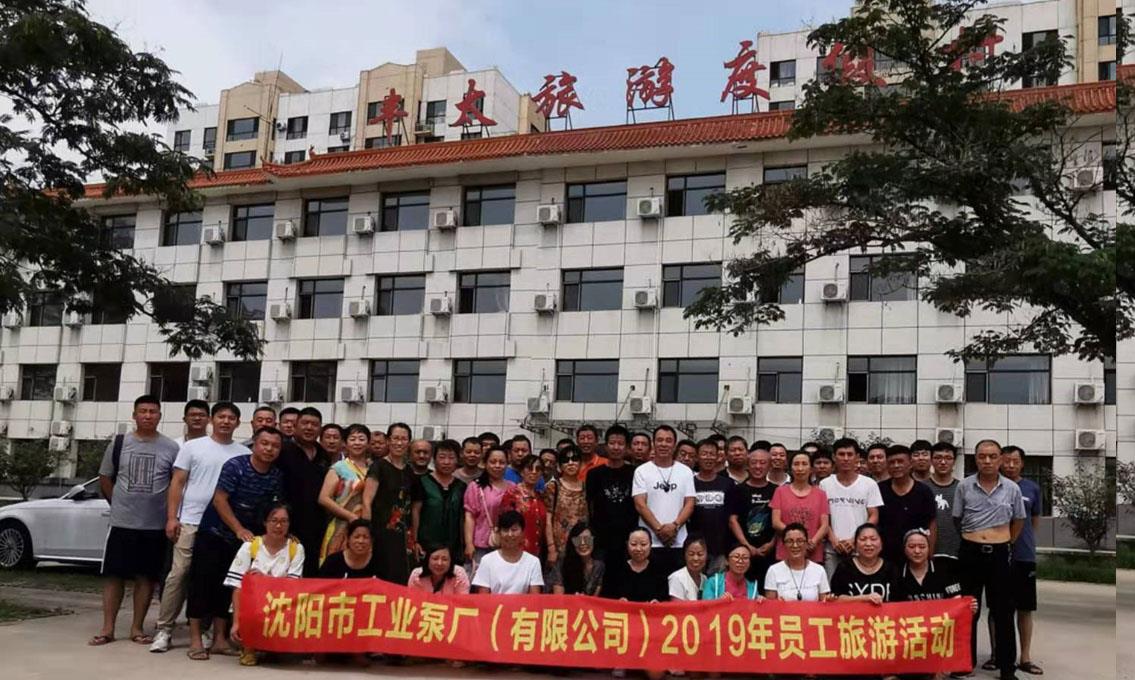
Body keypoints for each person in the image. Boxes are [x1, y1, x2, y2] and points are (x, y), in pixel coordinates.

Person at [151, 402, 249, 653]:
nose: (226, 421)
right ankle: (164, 629)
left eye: (231, 418)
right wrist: (172, 517)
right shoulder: (192, 447)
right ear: (212, 420)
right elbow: (177, 482)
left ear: (238, 423)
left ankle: (207, 631)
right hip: (190, 520)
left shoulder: (243, 453)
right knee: (179, 574)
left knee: (214, 579)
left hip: (221, 527)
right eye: (221, 417)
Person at [185, 426, 284, 661]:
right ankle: (195, 640)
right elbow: (220, 500)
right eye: (265, 443)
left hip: (245, 541)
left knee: (229, 587)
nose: (269, 449)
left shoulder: (276, 475)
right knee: (201, 585)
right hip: (215, 533)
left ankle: (219, 639)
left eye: (275, 446)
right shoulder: (236, 466)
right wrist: (238, 529)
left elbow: (271, 509)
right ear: (255, 444)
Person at [90, 395, 180, 648]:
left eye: (153, 411)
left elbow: (176, 483)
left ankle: (137, 628)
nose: (148, 416)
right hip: (122, 523)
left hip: (154, 525)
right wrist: (118, 503)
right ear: (134, 415)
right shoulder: (119, 444)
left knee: (146, 577)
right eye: (143, 411)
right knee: (114, 576)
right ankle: (107, 628)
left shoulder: (171, 448)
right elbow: (105, 478)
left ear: (160, 416)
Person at [954, 440, 1026, 680]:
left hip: (999, 554)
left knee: (1003, 611)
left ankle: (1007, 668)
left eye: (992, 456)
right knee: (968, 609)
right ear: (975, 459)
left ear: (1000, 459)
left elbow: (1019, 520)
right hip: (970, 553)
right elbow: (957, 519)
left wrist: (1006, 541)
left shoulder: (1012, 489)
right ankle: (964, 663)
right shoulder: (964, 486)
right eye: (982, 456)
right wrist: (973, 538)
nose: (987, 461)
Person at [226, 502, 304, 667]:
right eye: (274, 520)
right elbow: (237, 587)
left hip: (281, 607)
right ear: (265, 522)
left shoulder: (296, 549)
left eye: (284, 521)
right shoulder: (250, 547)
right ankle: (249, 646)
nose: (278, 526)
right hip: (253, 608)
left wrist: (264, 580)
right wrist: (236, 623)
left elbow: (292, 587)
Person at [991, 445, 1043, 676]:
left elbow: (1034, 520)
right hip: (997, 554)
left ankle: (1025, 657)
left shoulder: (1032, 488)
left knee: (1025, 607)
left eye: (1015, 461)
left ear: (1022, 464)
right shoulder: (993, 486)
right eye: (1006, 461)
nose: (1010, 465)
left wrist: (1023, 541)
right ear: (999, 462)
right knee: (997, 607)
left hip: (1023, 555)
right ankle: (997, 655)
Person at [632, 425, 696, 576]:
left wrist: (675, 526)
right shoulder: (642, 471)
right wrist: (659, 530)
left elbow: (690, 503)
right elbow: (640, 504)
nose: (664, 444)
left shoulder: (685, 471)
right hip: (649, 542)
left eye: (668, 440)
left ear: (674, 445)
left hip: (678, 541)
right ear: (653, 443)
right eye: (660, 440)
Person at [276, 407, 329, 576]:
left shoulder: (323, 455)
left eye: (314, 424)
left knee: (311, 572)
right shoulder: (283, 450)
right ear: (296, 426)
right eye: (305, 423)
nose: (309, 428)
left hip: (317, 526)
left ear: (320, 429)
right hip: (287, 524)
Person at [819, 437, 883, 578]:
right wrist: (833, 540)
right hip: (832, 549)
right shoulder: (825, 484)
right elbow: (823, 517)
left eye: (850, 454)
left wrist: (855, 539)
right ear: (834, 457)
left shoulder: (869, 484)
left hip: (861, 549)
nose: (846, 458)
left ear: (857, 457)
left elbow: (873, 515)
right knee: (832, 588)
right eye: (841, 454)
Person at [361, 423, 414, 584]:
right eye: (395, 438)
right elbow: (367, 500)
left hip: (403, 535)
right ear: (388, 441)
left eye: (403, 439)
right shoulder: (379, 467)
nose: (399, 443)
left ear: (409, 442)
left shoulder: (409, 470)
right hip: (380, 532)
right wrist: (366, 531)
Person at [317, 424, 371, 564]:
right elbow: (323, 498)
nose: (357, 443)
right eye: (352, 439)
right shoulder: (339, 467)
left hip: (367, 529)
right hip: (341, 525)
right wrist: (350, 517)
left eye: (361, 439)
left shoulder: (374, 468)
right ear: (345, 444)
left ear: (368, 443)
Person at [877, 444, 937, 564]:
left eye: (900, 461)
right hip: (885, 556)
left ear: (910, 463)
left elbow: (932, 524)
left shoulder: (924, 491)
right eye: (892, 462)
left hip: (916, 555)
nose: (896, 465)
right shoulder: (879, 489)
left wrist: (929, 553)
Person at [411, 439, 468, 564]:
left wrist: (466, 544)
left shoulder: (461, 486)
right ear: (434, 459)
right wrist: (415, 541)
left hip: (453, 546)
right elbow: (415, 511)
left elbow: (464, 517)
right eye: (442, 457)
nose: (446, 462)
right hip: (426, 545)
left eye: (451, 458)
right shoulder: (421, 482)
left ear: (457, 460)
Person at [586, 424, 637, 563]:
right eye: (612, 443)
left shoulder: (635, 473)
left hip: (628, 538)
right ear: (606, 446)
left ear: (627, 447)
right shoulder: (594, 474)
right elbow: (588, 505)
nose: (616, 447)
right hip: (600, 538)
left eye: (620, 444)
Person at [726, 447, 777, 584]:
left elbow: (780, 520)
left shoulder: (777, 490)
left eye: (763, 463)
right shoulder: (737, 490)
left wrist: (772, 544)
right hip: (743, 553)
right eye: (754, 462)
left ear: (770, 466)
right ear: (747, 465)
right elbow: (732, 520)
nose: (758, 466)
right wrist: (746, 545)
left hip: (770, 552)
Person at [770, 451, 829, 563]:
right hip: (786, 550)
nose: (800, 468)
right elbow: (776, 522)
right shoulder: (780, 491)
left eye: (804, 464)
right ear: (790, 468)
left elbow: (824, 525)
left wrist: (812, 542)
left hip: (812, 551)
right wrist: (797, 539)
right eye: (796, 464)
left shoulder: (820, 494)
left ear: (811, 469)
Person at [463, 446, 514, 573]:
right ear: (485, 463)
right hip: (481, 545)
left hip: (506, 543)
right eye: (493, 462)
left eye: (502, 462)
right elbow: (470, 516)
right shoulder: (476, 486)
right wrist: (469, 543)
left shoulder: (513, 488)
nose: (497, 465)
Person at [471, 511, 544, 594]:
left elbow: (534, 598)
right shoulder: (487, 560)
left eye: (514, 530)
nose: (510, 534)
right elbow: (483, 597)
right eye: (505, 530)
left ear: (523, 533)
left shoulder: (533, 562)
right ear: (499, 533)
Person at [691, 438, 733, 573]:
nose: (708, 457)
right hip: (694, 548)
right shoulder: (689, 483)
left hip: (720, 549)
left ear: (718, 457)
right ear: (697, 457)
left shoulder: (728, 484)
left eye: (712, 454)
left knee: (716, 585)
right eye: (704, 454)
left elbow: (731, 518)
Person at [830, 523, 896, 604]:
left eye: (873, 539)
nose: (868, 544)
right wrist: (864, 598)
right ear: (855, 544)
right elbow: (835, 599)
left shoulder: (891, 569)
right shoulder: (844, 568)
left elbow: (901, 602)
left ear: (882, 543)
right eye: (863, 539)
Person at [763, 523, 831, 602]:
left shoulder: (819, 570)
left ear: (806, 543)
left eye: (800, 541)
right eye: (790, 541)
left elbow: (824, 603)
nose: (795, 545)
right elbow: (770, 605)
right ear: (784, 544)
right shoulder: (773, 571)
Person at [499, 454, 550, 558]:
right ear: (522, 472)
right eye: (530, 468)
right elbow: (504, 524)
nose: (534, 472)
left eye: (538, 469)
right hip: (516, 550)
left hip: (537, 551)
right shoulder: (512, 494)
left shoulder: (541, 496)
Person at [544, 444, 589, 563]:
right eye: (565, 460)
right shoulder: (553, 486)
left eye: (574, 459)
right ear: (559, 466)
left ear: (581, 464)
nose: (570, 463)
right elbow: (548, 519)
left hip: (582, 544)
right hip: (559, 546)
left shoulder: (587, 487)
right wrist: (551, 547)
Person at [601, 528, 668, 602]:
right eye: (633, 544)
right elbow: (606, 598)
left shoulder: (659, 570)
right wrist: (618, 601)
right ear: (627, 544)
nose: (638, 549)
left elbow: (665, 598)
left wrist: (657, 601)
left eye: (643, 544)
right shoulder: (615, 570)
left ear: (650, 545)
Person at [927, 441, 962, 562]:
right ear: (931, 460)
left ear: (954, 461)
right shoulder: (921, 488)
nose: (943, 462)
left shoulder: (962, 488)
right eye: (938, 458)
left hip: (957, 552)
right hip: (926, 552)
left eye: (948, 458)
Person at [553, 522, 605, 596]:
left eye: (587, 539)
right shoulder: (562, 563)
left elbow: (595, 598)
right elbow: (558, 597)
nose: (583, 543)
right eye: (578, 540)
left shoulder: (599, 566)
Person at [667, 535, 708, 601]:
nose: (695, 558)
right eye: (691, 554)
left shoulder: (705, 579)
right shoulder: (676, 578)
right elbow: (676, 606)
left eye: (700, 554)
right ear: (685, 555)